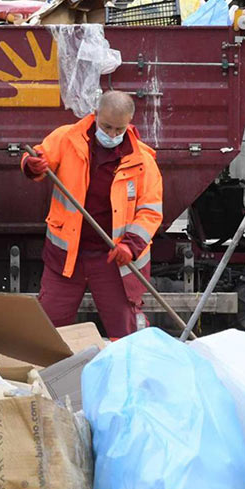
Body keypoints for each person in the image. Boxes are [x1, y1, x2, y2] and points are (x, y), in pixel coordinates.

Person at [21, 91, 163, 339]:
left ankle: (125, 375)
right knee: (50, 331)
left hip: (114, 260)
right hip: (67, 257)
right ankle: (48, 375)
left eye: (118, 130)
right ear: (95, 115)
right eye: (106, 126)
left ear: (129, 124)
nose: (111, 135)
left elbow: (150, 212)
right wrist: (32, 165)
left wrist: (130, 246)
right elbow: (37, 158)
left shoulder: (142, 161)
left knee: (126, 334)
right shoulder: (67, 138)